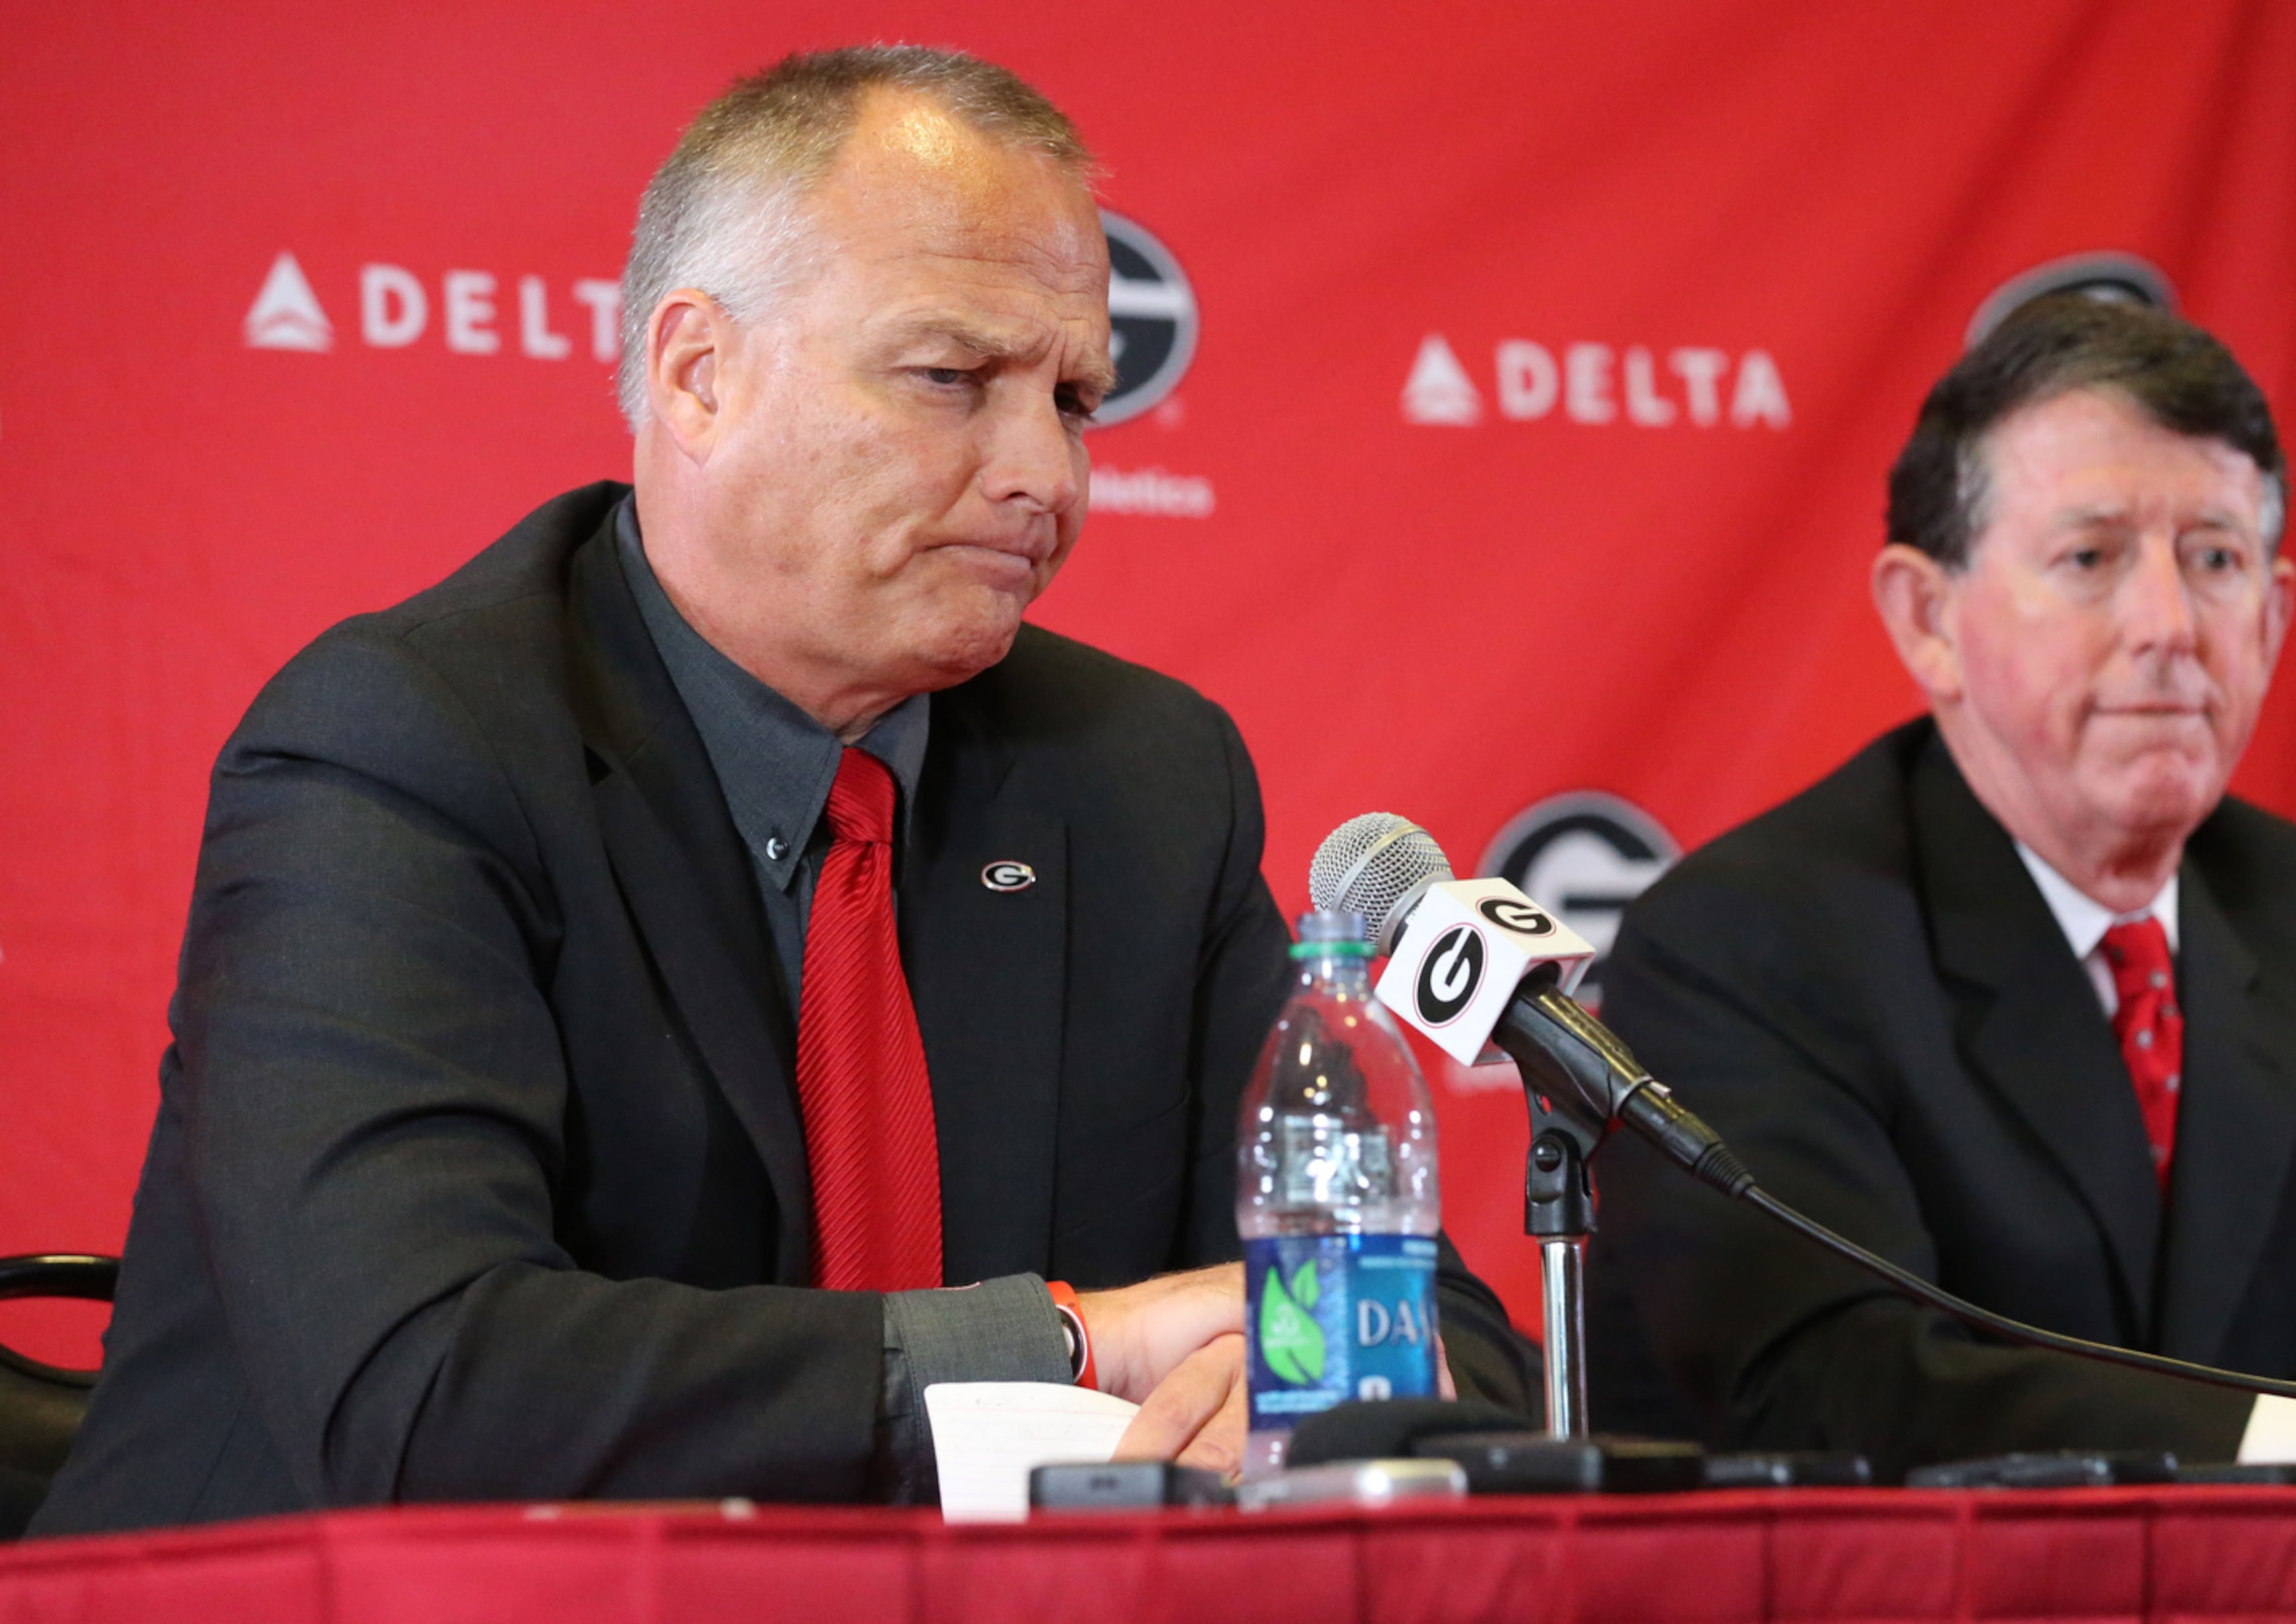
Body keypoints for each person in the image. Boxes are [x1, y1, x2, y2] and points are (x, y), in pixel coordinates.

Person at [34, 46, 1526, 1536]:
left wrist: (1305, 1378)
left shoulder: (1141, 780)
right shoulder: (410, 742)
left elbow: (1448, 1333)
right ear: (698, 373)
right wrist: (1067, 1344)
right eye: (951, 379)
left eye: (1072, 400)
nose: (1048, 479)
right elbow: (430, 1390)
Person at [1586, 295, 2296, 1477]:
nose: (2168, 625)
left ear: (2274, 613)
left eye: (2214, 559)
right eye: (2091, 558)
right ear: (1927, 618)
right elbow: (1843, 1399)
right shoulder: (1744, 942)